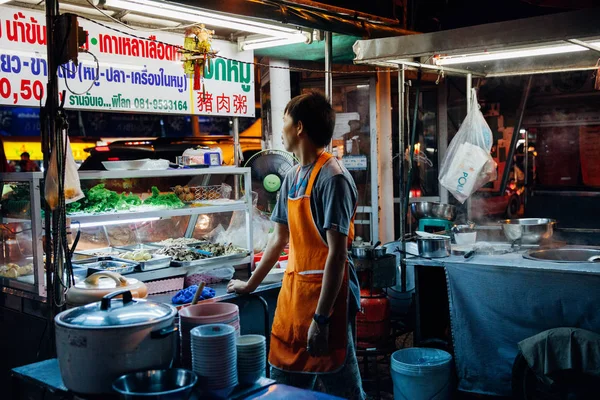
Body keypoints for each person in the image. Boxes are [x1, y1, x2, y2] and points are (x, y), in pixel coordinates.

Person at [228, 92, 365, 399]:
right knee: (282, 383)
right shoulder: (290, 177)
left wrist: (321, 318)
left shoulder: (334, 179)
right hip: (295, 297)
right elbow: (278, 239)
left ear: (300, 127)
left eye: (286, 120)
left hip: (327, 301)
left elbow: (337, 255)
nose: (282, 128)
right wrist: (250, 285)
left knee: (342, 386)